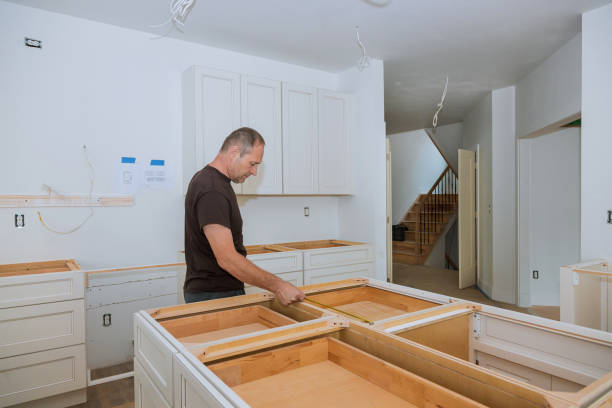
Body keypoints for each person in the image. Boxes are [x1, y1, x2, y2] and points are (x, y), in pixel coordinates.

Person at [183, 127, 305, 306]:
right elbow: (227, 258)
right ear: (234, 152)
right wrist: (279, 286)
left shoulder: (210, 181)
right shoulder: (212, 189)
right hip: (215, 295)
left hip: (214, 292)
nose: (254, 172)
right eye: (252, 164)